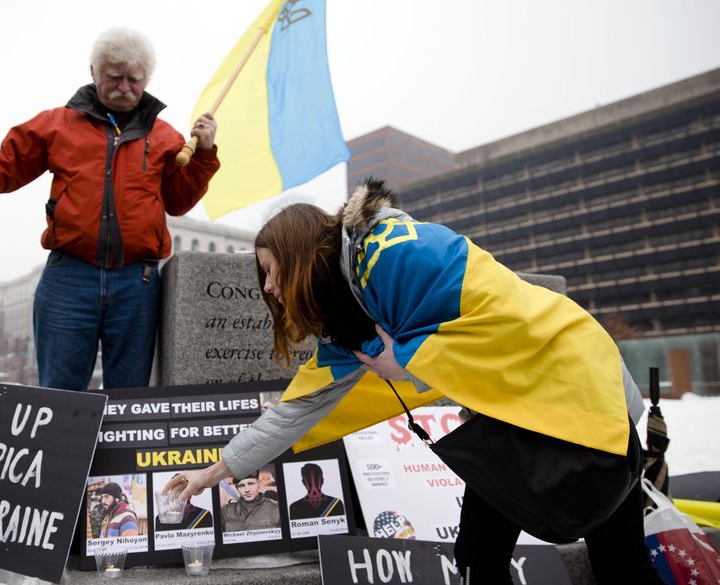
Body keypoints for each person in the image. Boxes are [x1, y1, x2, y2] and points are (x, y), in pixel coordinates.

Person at [165, 179, 663, 584]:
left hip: (576, 385)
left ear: (298, 255)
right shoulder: (347, 318)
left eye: (271, 271)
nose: (269, 287)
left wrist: (405, 358)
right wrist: (213, 473)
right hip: (511, 414)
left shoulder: (397, 253)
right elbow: (296, 409)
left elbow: (498, 314)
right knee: (478, 558)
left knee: (619, 562)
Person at [0, 27, 220, 391]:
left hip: (137, 282)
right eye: (114, 76)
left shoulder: (167, 138)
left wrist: (204, 156)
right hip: (69, 279)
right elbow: (0, 167)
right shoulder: (56, 126)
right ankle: (62, 451)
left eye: (135, 79)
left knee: (130, 400)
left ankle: (114, 452)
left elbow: (178, 202)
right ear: (94, 72)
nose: (125, 86)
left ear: (147, 78)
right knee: (58, 399)